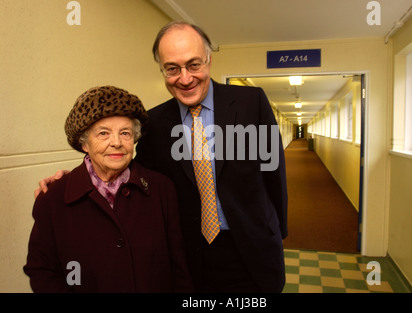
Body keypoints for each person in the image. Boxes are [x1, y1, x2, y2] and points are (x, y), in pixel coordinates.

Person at [36, 22, 288, 293]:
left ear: (209, 60)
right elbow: (128, 171)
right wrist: (75, 179)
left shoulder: (251, 102)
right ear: (162, 70)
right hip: (191, 257)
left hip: (251, 251)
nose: (185, 78)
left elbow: (275, 176)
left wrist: (277, 233)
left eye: (194, 65)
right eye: (172, 69)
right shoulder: (153, 122)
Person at [24, 85, 192, 293]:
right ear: (84, 143)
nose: (117, 143)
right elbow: (42, 271)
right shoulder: (54, 197)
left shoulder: (161, 189)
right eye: (103, 133)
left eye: (125, 133)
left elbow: (179, 267)